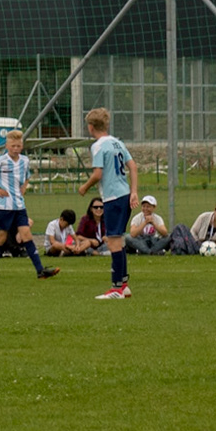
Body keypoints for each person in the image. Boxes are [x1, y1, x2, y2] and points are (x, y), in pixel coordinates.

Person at [0, 128, 61, 281]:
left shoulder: (24, 160)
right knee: (0, 239)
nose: (16, 149)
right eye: (13, 146)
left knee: (27, 235)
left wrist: (24, 186)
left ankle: (40, 271)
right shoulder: (0, 161)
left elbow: (27, 175)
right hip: (3, 207)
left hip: (19, 206)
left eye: (18, 146)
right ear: (7, 146)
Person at [77, 107, 136, 298]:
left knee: (113, 242)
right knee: (118, 239)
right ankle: (124, 285)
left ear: (91, 127)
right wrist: (133, 191)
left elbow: (98, 174)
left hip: (112, 198)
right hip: (125, 195)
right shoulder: (118, 143)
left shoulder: (98, 146)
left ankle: (116, 287)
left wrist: (85, 187)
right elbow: (132, 166)